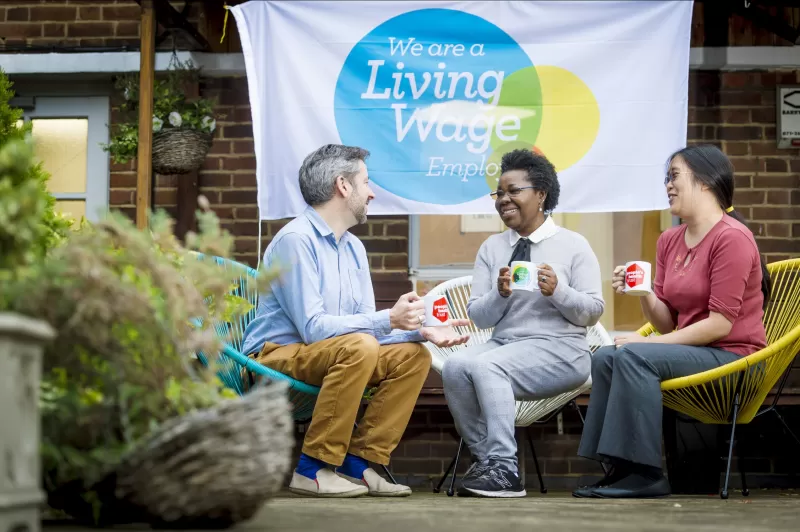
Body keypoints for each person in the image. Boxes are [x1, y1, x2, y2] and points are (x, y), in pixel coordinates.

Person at [241, 144, 470, 498]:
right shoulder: (296, 240)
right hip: (274, 358)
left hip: (331, 354)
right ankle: (311, 467)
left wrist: (418, 332)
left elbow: (362, 333)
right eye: (366, 182)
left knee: (414, 357)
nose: (372, 192)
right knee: (360, 345)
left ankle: (358, 461)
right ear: (343, 186)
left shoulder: (353, 248)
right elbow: (315, 329)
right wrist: (389, 318)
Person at [574, 144, 770, 499]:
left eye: (675, 176)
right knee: (606, 356)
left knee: (633, 355)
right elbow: (668, 325)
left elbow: (719, 326)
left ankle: (646, 474)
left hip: (735, 358)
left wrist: (645, 344)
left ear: (707, 181)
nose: (668, 185)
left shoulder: (732, 239)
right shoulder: (669, 239)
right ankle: (620, 468)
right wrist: (645, 293)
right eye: (667, 178)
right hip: (693, 354)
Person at [441, 149, 605, 498]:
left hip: (562, 351)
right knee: (455, 367)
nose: (504, 200)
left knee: (487, 367)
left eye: (513, 191)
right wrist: (499, 294)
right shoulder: (492, 247)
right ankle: (492, 464)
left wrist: (559, 291)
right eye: (499, 193)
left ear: (541, 193)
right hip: (505, 346)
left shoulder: (574, 246)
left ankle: (503, 466)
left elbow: (592, 311)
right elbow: (479, 316)